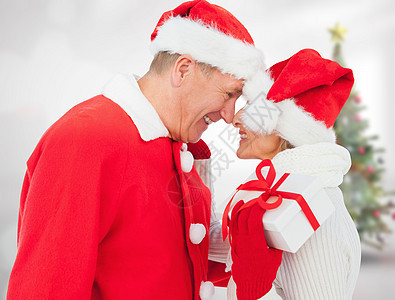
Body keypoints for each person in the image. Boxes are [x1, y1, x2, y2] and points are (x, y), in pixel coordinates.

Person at [6, 1, 269, 299]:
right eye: (229, 94)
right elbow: (47, 288)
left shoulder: (176, 145)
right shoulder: (86, 138)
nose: (230, 114)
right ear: (183, 70)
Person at [224, 49, 361, 299]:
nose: (235, 119)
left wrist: (253, 290)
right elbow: (217, 244)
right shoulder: (277, 198)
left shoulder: (313, 215)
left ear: (285, 128)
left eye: (254, 109)